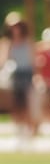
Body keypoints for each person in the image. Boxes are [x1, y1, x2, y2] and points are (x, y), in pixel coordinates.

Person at [0, 12, 38, 143]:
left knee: (28, 103)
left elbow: (33, 61)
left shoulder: (28, 41)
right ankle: (19, 132)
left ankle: (30, 132)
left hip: (27, 75)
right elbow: (3, 61)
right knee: (15, 105)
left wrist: (36, 76)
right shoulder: (7, 43)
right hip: (14, 76)